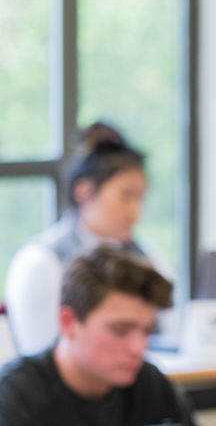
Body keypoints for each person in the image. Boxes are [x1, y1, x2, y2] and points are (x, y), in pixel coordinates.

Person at [0, 246, 215, 426]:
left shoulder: (150, 384)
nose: (138, 347)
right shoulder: (14, 392)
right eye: (120, 330)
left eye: (146, 331)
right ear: (68, 323)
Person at [5, 123, 165, 356]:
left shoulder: (147, 257)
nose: (135, 212)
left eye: (140, 198)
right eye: (126, 196)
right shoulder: (40, 261)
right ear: (84, 192)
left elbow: (166, 339)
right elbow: (39, 358)